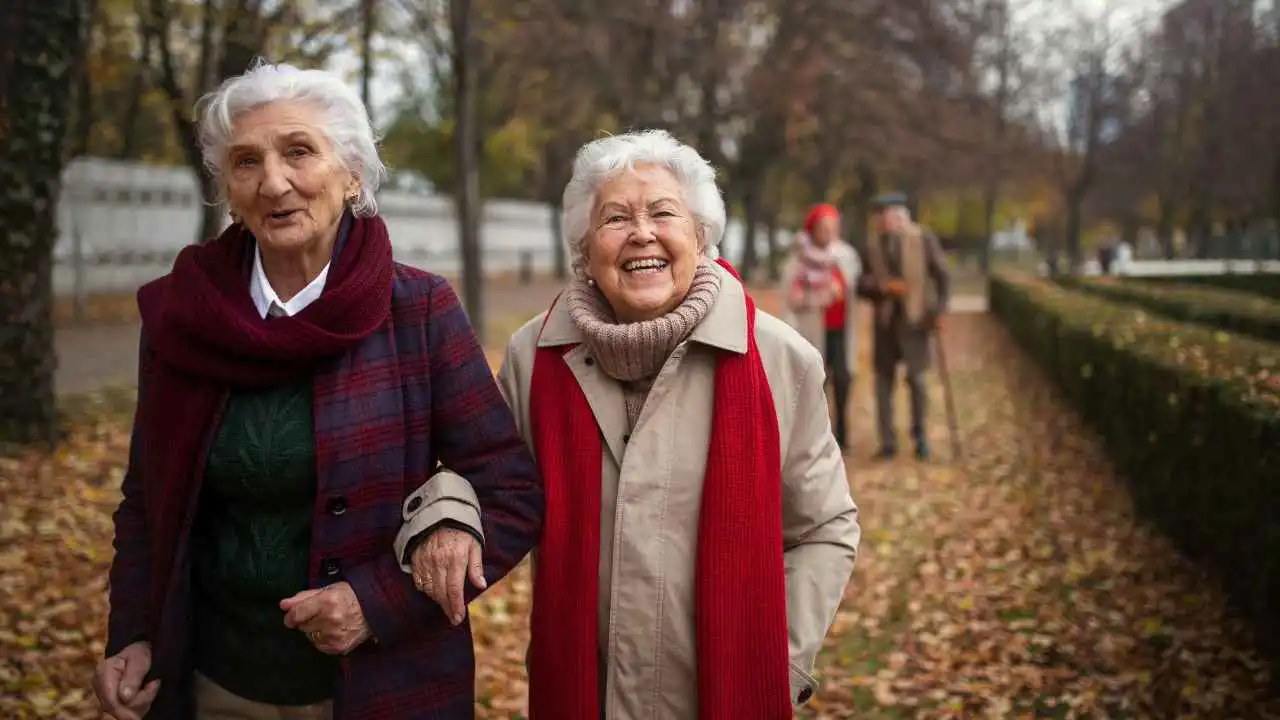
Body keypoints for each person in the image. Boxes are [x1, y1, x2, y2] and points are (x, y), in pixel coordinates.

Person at [94, 61, 543, 720]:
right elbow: (146, 499)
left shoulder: (417, 310)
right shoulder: (182, 317)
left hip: (385, 684)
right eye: (246, 162)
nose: (274, 182)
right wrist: (132, 633)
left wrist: (379, 601)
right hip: (215, 682)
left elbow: (511, 490)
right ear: (229, 188)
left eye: (298, 152)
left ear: (352, 173)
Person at [397, 130, 860, 719]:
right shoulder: (533, 356)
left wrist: (777, 661)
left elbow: (825, 526)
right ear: (585, 249)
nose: (642, 232)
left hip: (719, 697)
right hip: (583, 696)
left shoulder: (777, 358)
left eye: (664, 212)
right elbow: (484, 474)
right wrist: (448, 517)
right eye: (615, 218)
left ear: (701, 235)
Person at [856, 192, 951, 461]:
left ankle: (921, 439)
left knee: (918, 381)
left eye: (890, 216)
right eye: (881, 217)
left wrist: (940, 311)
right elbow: (860, 284)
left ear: (901, 218)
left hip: (916, 321)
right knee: (883, 383)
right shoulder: (872, 245)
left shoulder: (923, 239)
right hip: (885, 324)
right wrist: (880, 286)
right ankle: (887, 443)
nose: (884, 222)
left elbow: (943, 276)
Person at [779, 203, 861, 452]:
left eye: (832, 227)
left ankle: (843, 434)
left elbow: (855, 284)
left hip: (842, 330)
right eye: (824, 228)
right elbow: (791, 300)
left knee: (844, 380)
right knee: (817, 383)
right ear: (813, 230)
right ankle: (817, 437)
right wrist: (821, 297)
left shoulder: (845, 256)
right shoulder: (798, 261)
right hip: (813, 331)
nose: (829, 232)